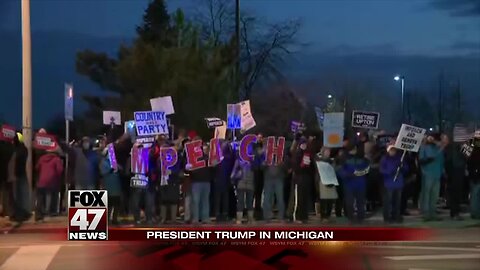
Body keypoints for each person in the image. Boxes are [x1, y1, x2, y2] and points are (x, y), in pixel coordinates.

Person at [338, 143, 370, 224]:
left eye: (355, 148)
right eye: (352, 148)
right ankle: (350, 218)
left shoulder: (363, 159)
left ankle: (360, 218)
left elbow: (367, 170)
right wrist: (349, 175)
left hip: (360, 184)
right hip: (349, 184)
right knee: (349, 203)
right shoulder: (344, 159)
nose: (354, 150)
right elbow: (341, 171)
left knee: (360, 202)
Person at [419, 133, 446, 221]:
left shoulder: (437, 147)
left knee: (434, 195)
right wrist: (440, 149)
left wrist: (443, 172)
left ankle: (433, 212)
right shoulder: (424, 147)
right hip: (428, 174)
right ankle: (426, 213)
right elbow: (427, 159)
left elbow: (441, 161)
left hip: (437, 174)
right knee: (426, 194)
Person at [35, 145, 64, 223]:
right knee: (54, 195)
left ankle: (39, 214)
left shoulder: (41, 158)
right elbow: (60, 170)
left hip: (42, 181)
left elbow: (37, 167)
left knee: (40, 197)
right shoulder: (57, 159)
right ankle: (52, 212)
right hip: (52, 181)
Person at [380, 145, 408, 224]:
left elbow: (406, 169)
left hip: (398, 183)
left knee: (397, 202)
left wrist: (402, 167)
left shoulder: (400, 159)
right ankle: (387, 217)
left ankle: (395, 216)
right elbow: (382, 170)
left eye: (394, 150)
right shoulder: (384, 159)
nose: (393, 152)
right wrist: (390, 172)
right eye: (391, 150)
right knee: (388, 202)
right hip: (389, 184)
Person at [187, 140, 212, 225]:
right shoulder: (192, 158)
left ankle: (205, 218)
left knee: (205, 201)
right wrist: (187, 168)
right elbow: (188, 170)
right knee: (196, 201)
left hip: (206, 181)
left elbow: (212, 168)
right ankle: (195, 219)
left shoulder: (207, 158)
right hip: (196, 181)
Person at [289, 137, 314, 223]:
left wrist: (309, 165)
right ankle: (296, 216)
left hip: (306, 179)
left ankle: (304, 216)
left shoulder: (308, 154)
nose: (304, 145)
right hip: (298, 179)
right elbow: (294, 167)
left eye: (305, 144)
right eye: (302, 144)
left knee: (305, 198)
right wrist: (301, 165)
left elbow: (312, 168)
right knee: (298, 199)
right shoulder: (297, 154)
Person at [8, 133, 31, 223]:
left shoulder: (17, 151)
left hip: (17, 175)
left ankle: (20, 214)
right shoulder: (24, 149)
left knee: (18, 196)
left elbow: (14, 162)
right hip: (22, 174)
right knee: (22, 195)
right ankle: (23, 213)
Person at [263, 143, 287, 223]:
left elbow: (286, 165)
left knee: (280, 198)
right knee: (267, 198)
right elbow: (260, 166)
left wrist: (282, 164)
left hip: (278, 179)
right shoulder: (266, 155)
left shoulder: (281, 155)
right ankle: (267, 216)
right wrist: (265, 163)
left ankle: (281, 217)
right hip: (268, 179)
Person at [158, 141, 181, 224]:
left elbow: (178, 168)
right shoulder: (158, 159)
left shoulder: (174, 158)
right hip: (162, 182)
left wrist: (172, 172)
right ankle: (163, 218)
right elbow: (156, 169)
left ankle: (173, 219)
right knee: (163, 200)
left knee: (173, 200)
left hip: (172, 181)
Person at [314, 147, 339, 223]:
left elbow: (335, 169)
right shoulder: (318, 160)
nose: (328, 153)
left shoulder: (332, 161)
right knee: (324, 200)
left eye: (329, 151)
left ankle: (328, 215)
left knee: (330, 200)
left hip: (331, 181)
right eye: (326, 151)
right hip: (322, 181)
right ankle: (323, 215)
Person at [99, 144, 122, 225]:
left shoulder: (115, 162)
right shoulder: (103, 162)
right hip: (108, 187)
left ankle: (114, 219)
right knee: (109, 205)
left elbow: (120, 169)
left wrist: (117, 168)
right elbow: (103, 173)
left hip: (116, 186)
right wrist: (111, 170)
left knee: (116, 204)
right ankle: (107, 219)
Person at [444, 137, 466, 220]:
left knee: (455, 192)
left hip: (455, 170)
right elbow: (467, 156)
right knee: (456, 192)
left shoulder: (451, 147)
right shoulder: (457, 147)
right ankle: (455, 213)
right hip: (456, 170)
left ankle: (454, 212)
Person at [231, 151, 255, 224]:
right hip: (250, 184)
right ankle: (250, 219)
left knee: (240, 202)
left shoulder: (238, 161)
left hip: (241, 184)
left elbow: (233, 174)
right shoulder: (252, 161)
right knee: (249, 202)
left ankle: (239, 219)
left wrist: (233, 178)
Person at [213, 140, 234, 223]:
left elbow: (231, 165)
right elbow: (213, 166)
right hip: (218, 180)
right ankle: (218, 214)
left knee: (225, 198)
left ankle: (225, 214)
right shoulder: (216, 157)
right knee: (218, 198)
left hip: (226, 180)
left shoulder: (228, 157)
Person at [467, 135, 480, 219]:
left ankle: (475, 213)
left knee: (475, 195)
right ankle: (474, 213)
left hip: (474, 174)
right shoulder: (472, 145)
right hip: (475, 174)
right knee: (475, 194)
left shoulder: (471, 145)